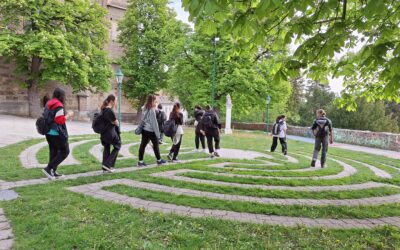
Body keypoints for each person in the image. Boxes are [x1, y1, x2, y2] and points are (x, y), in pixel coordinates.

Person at [42, 88, 74, 180]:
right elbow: (59, 120)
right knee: (65, 151)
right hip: (56, 132)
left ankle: (52, 172)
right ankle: (49, 168)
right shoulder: (59, 105)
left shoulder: (49, 103)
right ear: (62, 96)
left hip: (48, 131)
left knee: (54, 152)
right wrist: (69, 115)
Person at [137, 95, 167, 167]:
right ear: (152, 101)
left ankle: (140, 162)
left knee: (142, 145)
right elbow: (154, 123)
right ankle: (159, 160)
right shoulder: (152, 110)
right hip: (151, 131)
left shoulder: (145, 108)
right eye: (155, 101)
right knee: (156, 145)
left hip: (144, 130)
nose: (156, 103)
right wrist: (158, 134)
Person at [100, 94, 121, 173]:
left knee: (107, 147)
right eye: (115, 100)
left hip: (104, 133)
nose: (116, 102)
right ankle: (108, 164)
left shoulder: (103, 109)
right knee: (118, 145)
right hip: (110, 133)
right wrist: (117, 122)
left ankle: (105, 167)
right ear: (112, 101)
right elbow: (115, 122)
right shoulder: (109, 111)